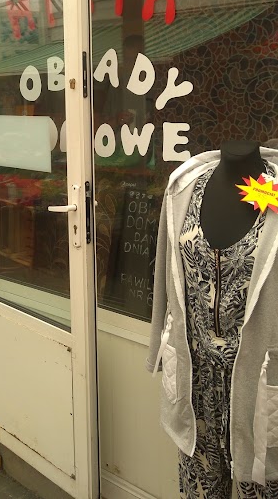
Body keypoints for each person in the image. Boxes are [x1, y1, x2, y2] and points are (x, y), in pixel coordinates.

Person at [147, 141, 278, 498]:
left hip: (257, 383)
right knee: (200, 490)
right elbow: (166, 273)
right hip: (198, 384)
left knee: (261, 484)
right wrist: (157, 343)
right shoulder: (183, 189)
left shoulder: (275, 197)